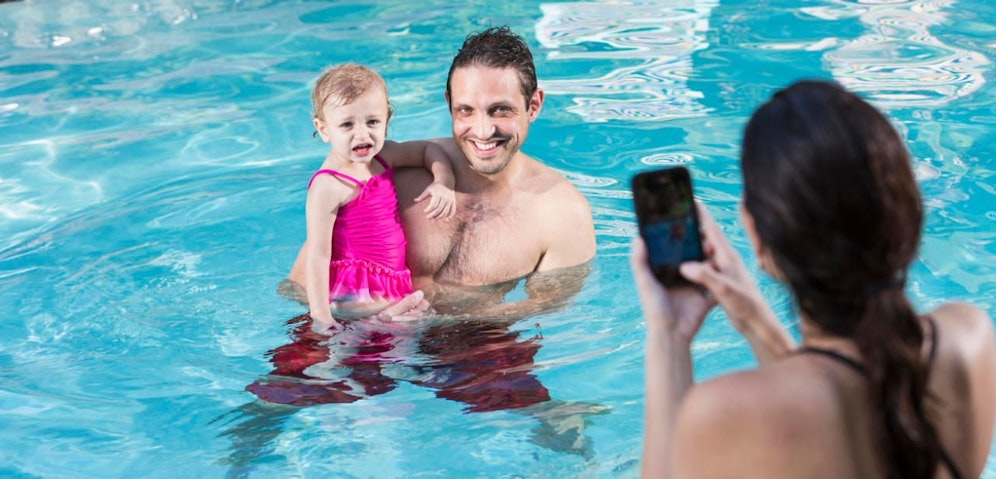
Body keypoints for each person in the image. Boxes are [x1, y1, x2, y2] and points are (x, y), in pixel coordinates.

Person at [631, 80, 995, 478]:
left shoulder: (729, 411)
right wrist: (754, 320)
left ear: (756, 235)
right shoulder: (966, 341)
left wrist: (669, 335)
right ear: (905, 211)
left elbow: (818, 402)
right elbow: (846, 401)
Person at [287, 26, 596, 318]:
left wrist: (429, 324)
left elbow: (546, 311)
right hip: (352, 334)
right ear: (449, 104)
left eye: (500, 110)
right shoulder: (384, 170)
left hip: (479, 351)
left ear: (533, 105)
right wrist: (356, 320)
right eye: (466, 110)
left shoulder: (564, 213)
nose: (483, 131)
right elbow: (299, 284)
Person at [286, 63, 457, 334]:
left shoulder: (383, 155)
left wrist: (443, 182)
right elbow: (318, 256)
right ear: (323, 129)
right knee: (393, 330)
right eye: (347, 124)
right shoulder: (328, 184)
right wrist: (321, 318)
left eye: (372, 122)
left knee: (399, 347)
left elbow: (429, 150)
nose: (362, 134)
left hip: (391, 282)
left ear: (387, 119)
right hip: (355, 291)